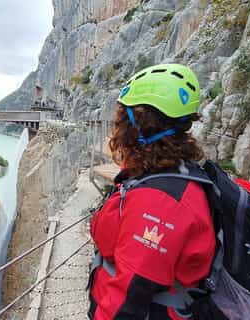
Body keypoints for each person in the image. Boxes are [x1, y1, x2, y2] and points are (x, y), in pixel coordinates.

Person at [88, 64, 216, 319]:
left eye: (121, 120)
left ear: (136, 127)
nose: (115, 129)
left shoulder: (159, 203)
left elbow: (127, 302)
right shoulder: (168, 174)